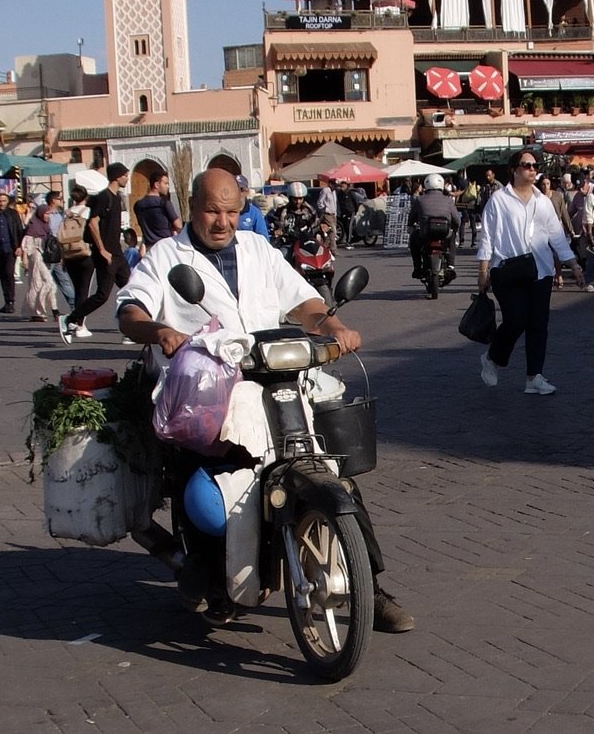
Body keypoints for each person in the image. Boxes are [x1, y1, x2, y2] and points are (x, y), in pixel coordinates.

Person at [115, 168, 414, 634]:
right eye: (213, 210)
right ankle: (210, 572)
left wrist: (334, 328)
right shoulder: (166, 255)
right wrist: (161, 331)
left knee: (330, 470)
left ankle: (370, 587)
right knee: (208, 483)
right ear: (191, 207)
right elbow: (130, 309)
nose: (223, 221)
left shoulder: (257, 249)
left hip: (272, 380)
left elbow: (303, 302)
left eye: (232, 211)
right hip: (205, 396)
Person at [477, 150, 585, 395]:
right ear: (514, 169)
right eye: (527, 165)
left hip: (540, 270)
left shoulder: (543, 201)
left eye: (535, 165)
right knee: (516, 319)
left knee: (539, 324)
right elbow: (487, 236)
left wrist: (574, 265)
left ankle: (534, 376)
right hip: (507, 270)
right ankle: (492, 358)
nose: (533, 169)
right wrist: (483, 270)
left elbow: (557, 237)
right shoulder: (499, 200)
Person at [58, 162, 131, 344]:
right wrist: (102, 250)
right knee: (102, 295)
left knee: (131, 289)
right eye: (125, 175)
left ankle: (130, 330)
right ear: (117, 176)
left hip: (117, 253)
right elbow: (92, 223)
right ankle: (70, 319)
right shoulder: (103, 197)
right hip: (106, 255)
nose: (127, 178)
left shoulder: (117, 197)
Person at [408, 173, 460, 280]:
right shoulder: (448, 200)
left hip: (425, 234)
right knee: (452, 240)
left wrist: (411, 225)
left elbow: (412, 216)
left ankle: (417, 266)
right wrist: (455, 229)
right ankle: (450, 265)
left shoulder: (420, 200)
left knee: (413, 240)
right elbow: (456, 219)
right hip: (444, 234)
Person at [61, 185, 94, 338]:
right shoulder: (87, 212)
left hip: (68, 255)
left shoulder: (66, 214)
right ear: (86, 197)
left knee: (77, 289)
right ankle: (79, 324)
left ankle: (76, 321)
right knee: (84, 291)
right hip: (85, 253)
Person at [21, 204, 61, 322]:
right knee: (47, 283)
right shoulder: (33, 227)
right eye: (46, 214)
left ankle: (41, 312)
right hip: (36, 259)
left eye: (49, 214)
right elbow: (26, 245)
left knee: (41, 284)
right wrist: (25, 260)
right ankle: (53, 311)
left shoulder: (45, 226)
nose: (48, 216)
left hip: (44, 259)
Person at [133, 169, 182, 249]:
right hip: (166, 246)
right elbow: (178, 226)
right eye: (165, 183)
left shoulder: (138, 205)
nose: (167, 186)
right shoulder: (163, 204)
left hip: (150, 247)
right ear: (156, 185)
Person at [45, 191, 75, 312]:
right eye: (60, 199)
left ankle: (74, 305)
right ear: (53, 200)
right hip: (48, 252)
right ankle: (47, 308)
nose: (61, 201)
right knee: (47, 281)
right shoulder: (46, 214)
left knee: (63, 280)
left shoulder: (61, 215)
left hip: (57, 251)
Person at [317, 179, 339, 255]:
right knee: (333, 231)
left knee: (330, 232)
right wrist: (325, 209)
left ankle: (325, 247)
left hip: (333, 214)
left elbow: (334, 203)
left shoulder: (334, 192)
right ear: (330, 184)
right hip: (327, 214)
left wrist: (335, 213)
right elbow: (320, 202)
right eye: (334, 185)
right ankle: (333, 250)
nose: (335, 187)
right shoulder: (325, 190)